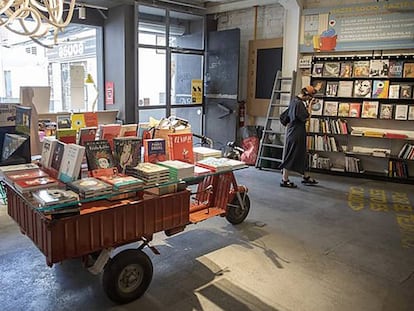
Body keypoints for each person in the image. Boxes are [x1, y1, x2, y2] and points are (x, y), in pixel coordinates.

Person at [279, 85, 319, 188]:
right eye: (309, 98)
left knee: (301, 155)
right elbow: (307, 117)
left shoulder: (294, 101)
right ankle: (284, 179)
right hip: (297, 132)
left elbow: (285, 117)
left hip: (293, 131)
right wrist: (310, 105)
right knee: (291, 155)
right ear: (306, 96)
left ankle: (305, 176)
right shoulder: (299, 104)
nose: (309, 99)